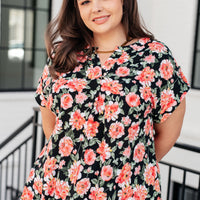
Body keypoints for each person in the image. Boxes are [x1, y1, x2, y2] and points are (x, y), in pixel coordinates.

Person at [20, 0, 190, 199]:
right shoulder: (62, 56)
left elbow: (168, 134)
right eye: (85, 2)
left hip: (125, 190)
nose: (96, 7)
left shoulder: (156, 58)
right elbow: (52, 127)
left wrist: (124, 166)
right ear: (77, 9)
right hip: (55, 187)